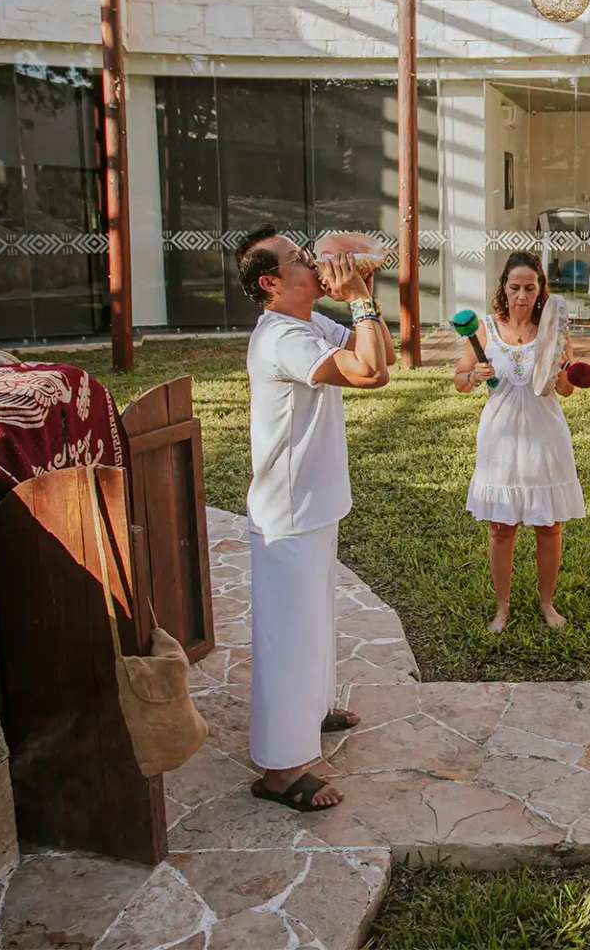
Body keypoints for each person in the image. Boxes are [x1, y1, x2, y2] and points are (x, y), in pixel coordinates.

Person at [238, 227, 392, 813]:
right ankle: (279, 772)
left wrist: (364, 295)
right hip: (289, 512)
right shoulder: (280, 337)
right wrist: (360, 302)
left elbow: (381, 367)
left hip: (315, 501)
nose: (314, 263)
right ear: (270, 283)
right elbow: (362, 371)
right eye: (300, 260)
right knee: (288, 640)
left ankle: (314, 711)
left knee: (315, 624)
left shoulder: (307, 325)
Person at [455, 251, 585, 633]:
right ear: (504, 288)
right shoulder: (483, 329)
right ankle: (502, 607)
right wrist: (474, 376)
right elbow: (459, 382)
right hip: (500, 436)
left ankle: (547, 603)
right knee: (501, 527)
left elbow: (565, 390)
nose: (523, 296)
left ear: (541, 288)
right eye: (515, 288)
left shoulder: (555, 329)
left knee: (549, 526)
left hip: (545, 434)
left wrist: (563, 370)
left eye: (531, 287)